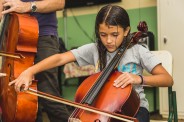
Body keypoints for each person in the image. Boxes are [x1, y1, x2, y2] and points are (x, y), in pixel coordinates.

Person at [9, 4, 173, 122]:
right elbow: (60, 58)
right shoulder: (95, 49)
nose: (108, 40)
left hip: (135, 110)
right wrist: (30, 71)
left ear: (127, 31)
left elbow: (167, 79)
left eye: (114, 34)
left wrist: (139, 78)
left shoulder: (138, 50)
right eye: (103, 34)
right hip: (100, 110)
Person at [0, 0, 70, 122]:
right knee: (24, 100)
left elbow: (59, 3)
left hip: (41, 35)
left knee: (48, 94)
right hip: (12, 36)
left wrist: (27, 6)